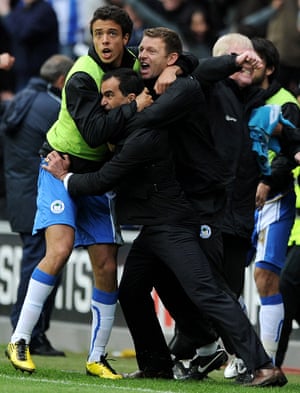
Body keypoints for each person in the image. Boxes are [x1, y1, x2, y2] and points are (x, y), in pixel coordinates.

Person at [44, 27, 284, 387]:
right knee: (133, 288)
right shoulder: (164, 84)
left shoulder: (174, 96)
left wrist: (65, 176)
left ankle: (262, 364)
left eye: (151, 52)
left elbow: (112, 167)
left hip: (181, 218)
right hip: (159, 221)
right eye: (140, 50)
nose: (141, 56)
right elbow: (192, 69)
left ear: (171, 59)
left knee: (207, 290)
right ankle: (160, 362)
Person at [5, 5, 188, 379]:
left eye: (111, 34)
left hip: (98, 177)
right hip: (60, 166)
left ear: (126, 37)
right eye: (98, 33)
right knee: (59, 249)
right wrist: (135, 105)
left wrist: (177, 66)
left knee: (106, 265)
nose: (104, 40)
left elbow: (191, 64)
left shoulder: (139, 61)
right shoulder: (80, 76)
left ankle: (96, 357)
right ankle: (20, 338)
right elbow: (92, 133)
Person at [224, 36, 300, 380]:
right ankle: (242, 356)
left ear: (268, 68)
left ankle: (266, 362)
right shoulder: (242, 100)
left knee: (266, 278)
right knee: (230, 280)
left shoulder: (285, 104)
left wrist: (268, 180)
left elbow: (293, 151)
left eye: (252, 63)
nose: (245, 68)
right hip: (241, 203)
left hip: (276, 201)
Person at [1, 54, 74, 356]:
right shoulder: (52, 107)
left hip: (18, 195)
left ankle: (28, 333)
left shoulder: (19, 100)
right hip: (42, 197)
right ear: (61, 81)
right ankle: (31, 335)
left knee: (33, 263)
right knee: (42, 266)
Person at [0, 0, 59, 92]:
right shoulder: (21, 8)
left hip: (40, 73)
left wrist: (6, 13)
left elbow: (23, 33)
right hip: (22, 72)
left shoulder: (45, 10)